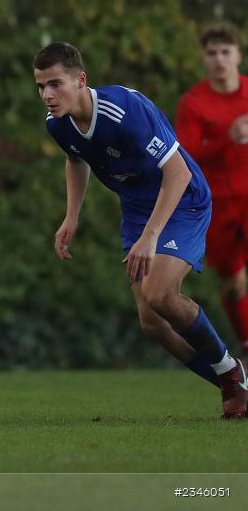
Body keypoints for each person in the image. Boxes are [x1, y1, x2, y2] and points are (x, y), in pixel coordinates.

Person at [34, 42, 248, 418]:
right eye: (41, 86)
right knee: (152, 322)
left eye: (56, 84)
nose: (48, 95)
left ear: (81, 80)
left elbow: (178, 172)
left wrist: (150, 237)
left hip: (182, 199)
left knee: (160, 293)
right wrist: (72, 216)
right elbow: (75, 160)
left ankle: (232, 372)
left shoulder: (124, 111)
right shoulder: (58, 124)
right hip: (137, 209)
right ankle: (233, 384)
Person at [175, 24, 248, 354]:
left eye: (225, 52)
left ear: (238, 55)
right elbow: (186, 156)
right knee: (233, 284)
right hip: (217, 204)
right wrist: (225, 139)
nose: (219, 59)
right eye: (212, 53)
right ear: (204, 59)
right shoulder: (194, 103)